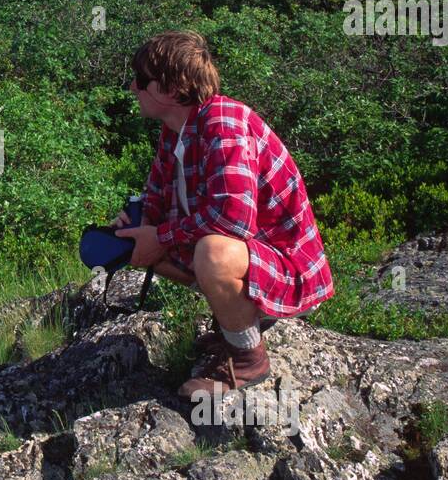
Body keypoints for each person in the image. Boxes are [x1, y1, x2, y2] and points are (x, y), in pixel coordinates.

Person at [112, 30, 334, 399]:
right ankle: (238, 322)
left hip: (288, 269)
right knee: (142, 242)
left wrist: (161, 237)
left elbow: (234, 220)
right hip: (254, 259)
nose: (133, 87)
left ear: (171, 88)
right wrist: (134, 229)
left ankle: (248, 360)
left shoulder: (223, 122)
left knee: (211, 253)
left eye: (141, 80)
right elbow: (156, 198)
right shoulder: (176, 132)